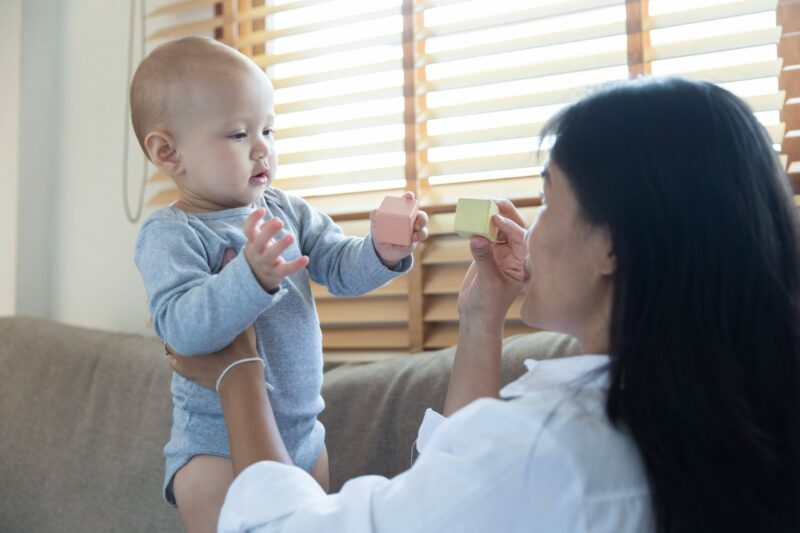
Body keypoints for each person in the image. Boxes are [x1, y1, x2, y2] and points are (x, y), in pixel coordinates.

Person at [169, 77, 800, 532]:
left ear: (611, 245)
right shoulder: (691, 415)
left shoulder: (549, 449)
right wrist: (480, 320)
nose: (535, 225)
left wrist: (238, 371)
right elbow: (458, 488)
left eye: (549, 200)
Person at [131, 36, 429, 532]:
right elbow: (182, 329)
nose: (262, 148)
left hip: (305, 438)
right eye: (237, 135)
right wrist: (249, 277)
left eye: (267, 129)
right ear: (169, 152)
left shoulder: (285, 209)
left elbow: (336, 263)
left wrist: (380, 250)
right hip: (214, 449)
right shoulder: (170, 233)